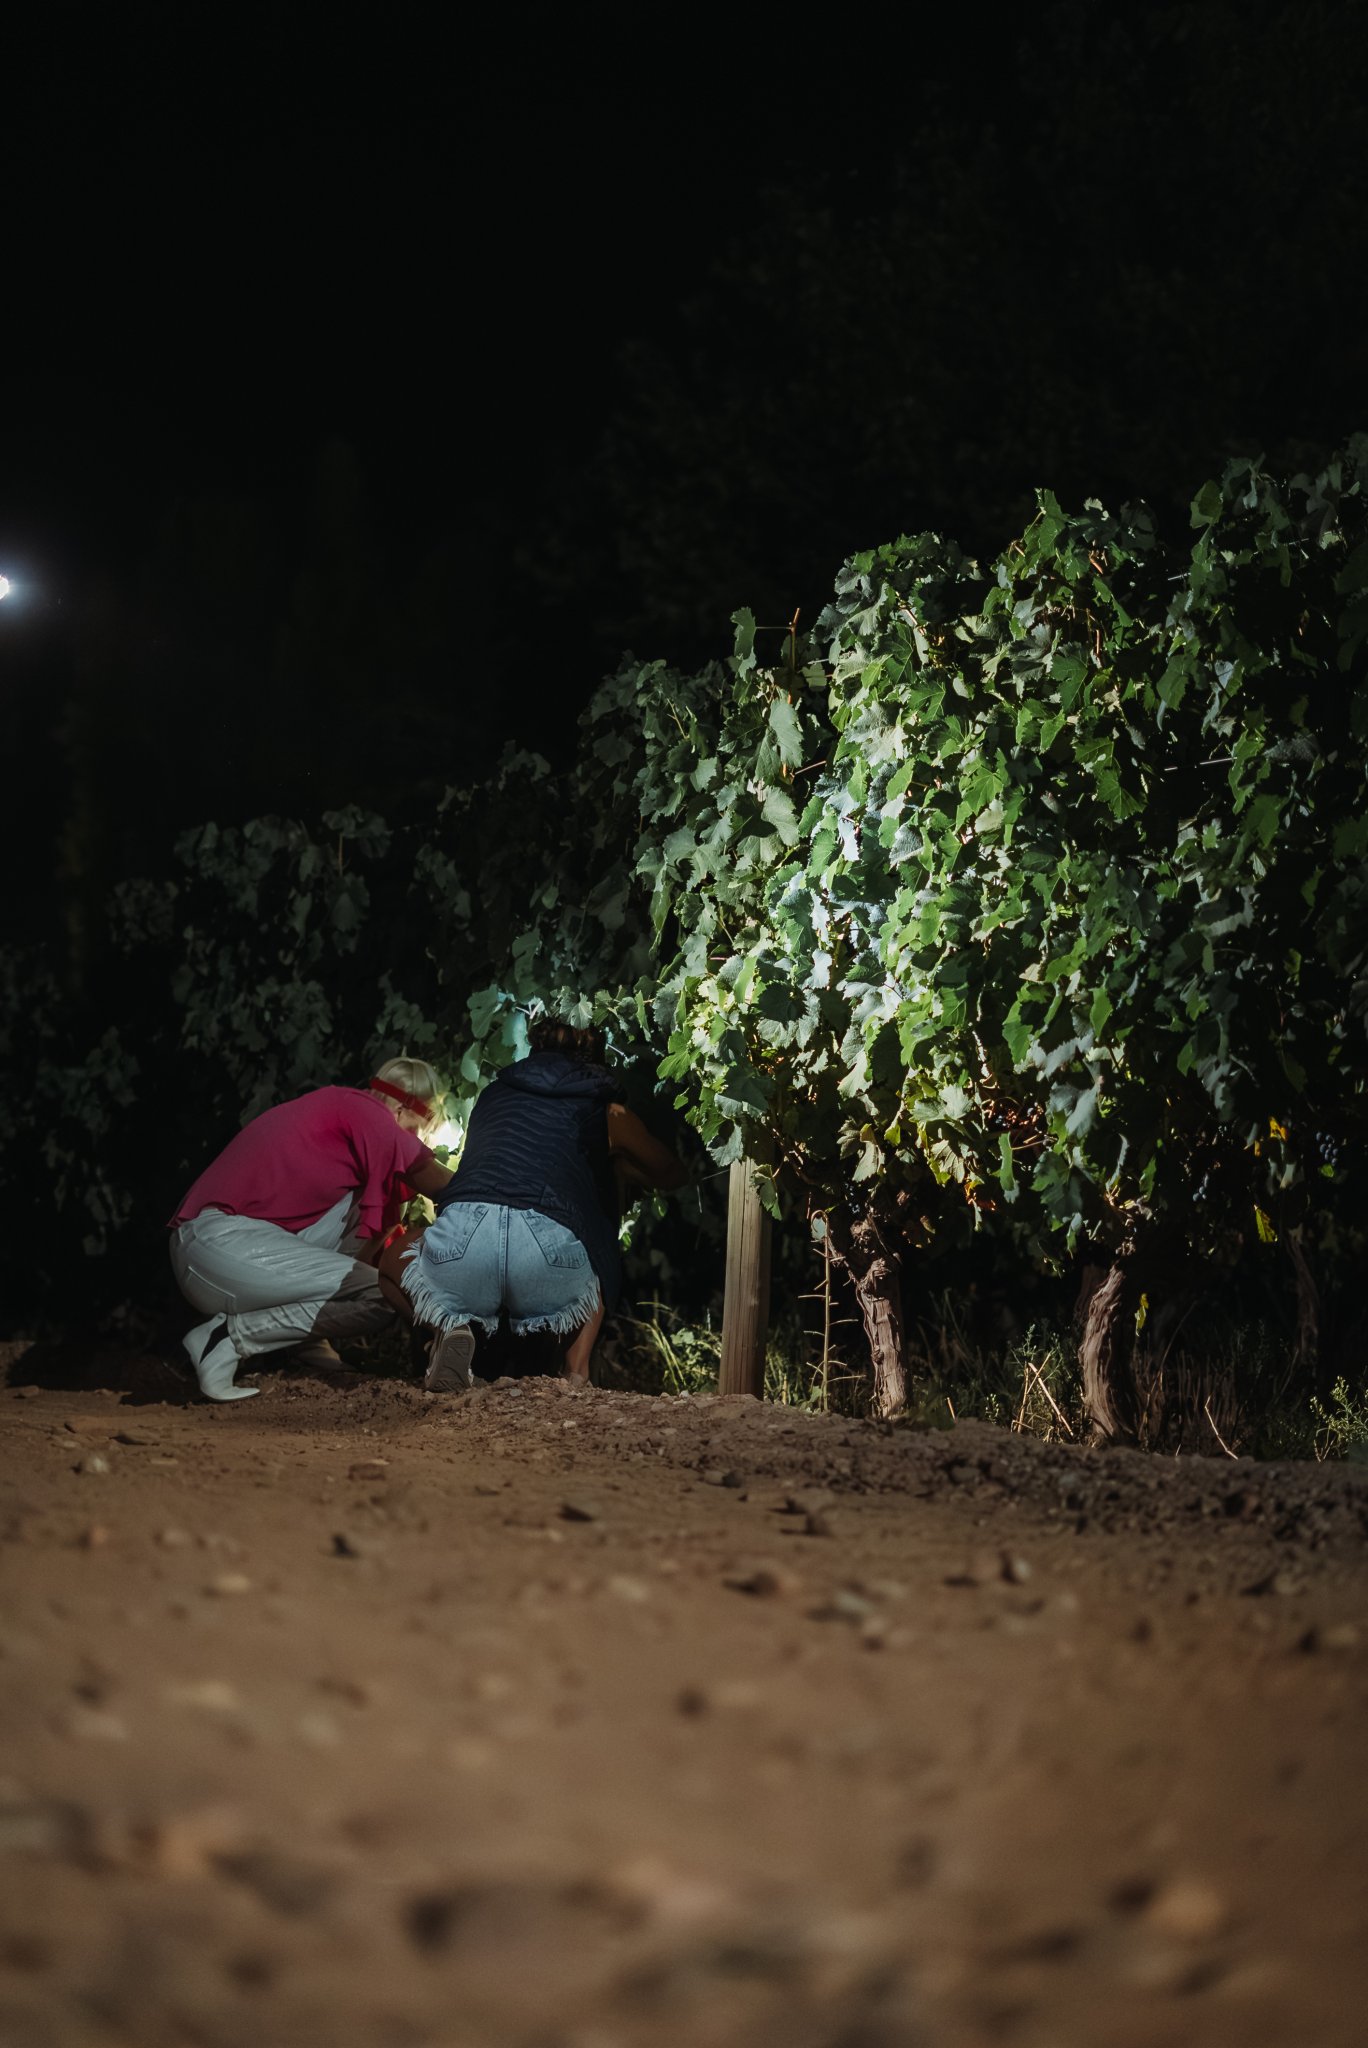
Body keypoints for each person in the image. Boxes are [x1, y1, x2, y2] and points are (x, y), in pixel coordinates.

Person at [380, 1020, 685, 1390]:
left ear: (534, 1054)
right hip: (547, 1260)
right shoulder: (606, 1110)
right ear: (595, 1062)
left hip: (465, 1249)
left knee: (391, 1262)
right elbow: (669, 1172)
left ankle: (447, 1330)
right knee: (597, 1236)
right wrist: (619, 1168)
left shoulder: (492, 1095)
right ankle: (575, 1374)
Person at [169, 1057, 454, 1401]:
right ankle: (226, 1339)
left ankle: (304, 1343)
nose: (422, 1138)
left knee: (365, 1274)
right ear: (401, 1107)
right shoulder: (365, 1111)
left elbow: (353, 1260)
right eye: (423, 1126)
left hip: (229, 1245)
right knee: (382, 1293)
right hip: (216, 1244)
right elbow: (440, 1183)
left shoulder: (346, 1129)